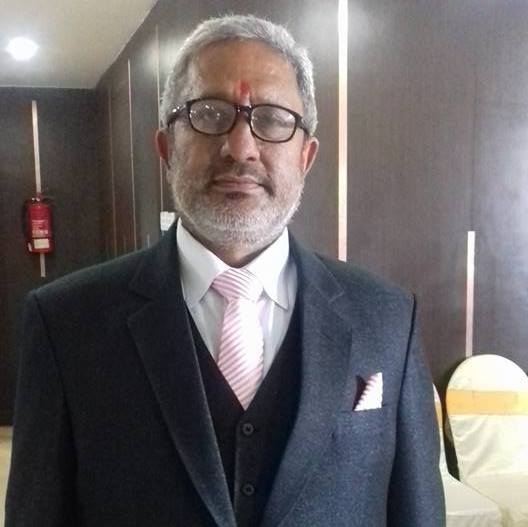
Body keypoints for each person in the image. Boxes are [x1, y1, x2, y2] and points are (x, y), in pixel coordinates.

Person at [5, 14, 445, 527]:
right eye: (209, 113)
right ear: (166, 148)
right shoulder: (66, 324)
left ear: (305, 156)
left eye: (273, 119)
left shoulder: (387, 319)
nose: (240, 148)